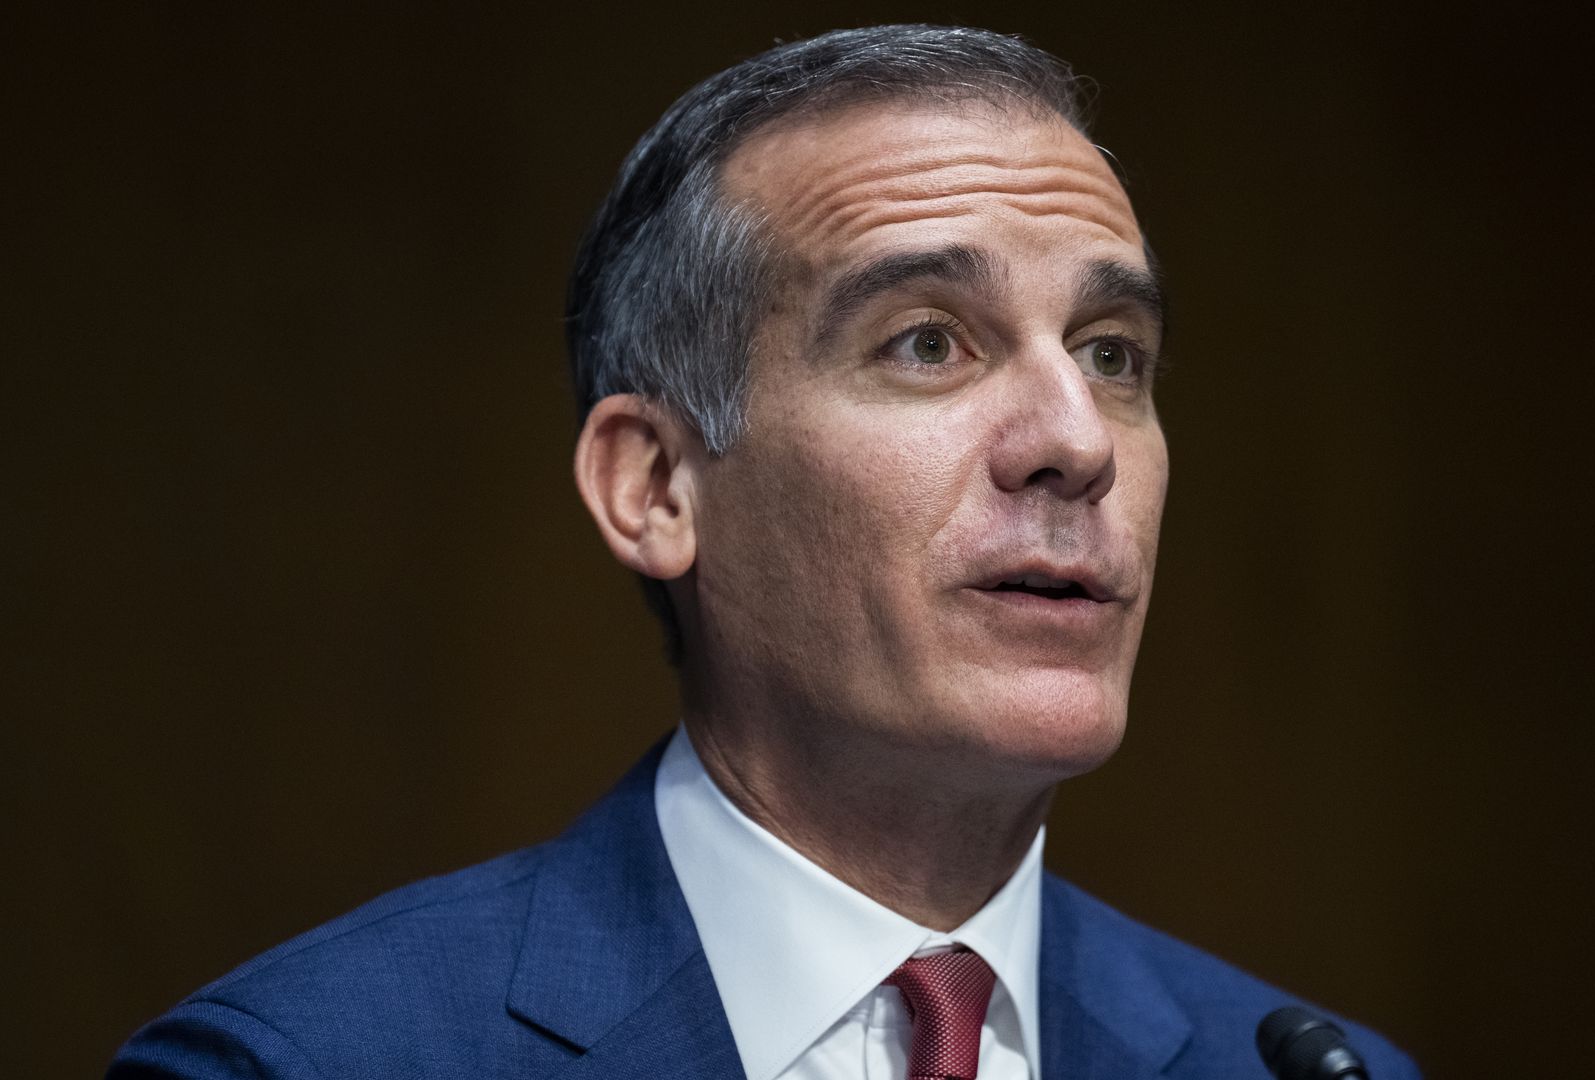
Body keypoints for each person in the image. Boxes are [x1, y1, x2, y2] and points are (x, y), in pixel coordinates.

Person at [111, 25, 1419, 1080]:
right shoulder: (314, 1062)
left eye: (1112, 354)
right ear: (658, 486)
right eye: (927, 341)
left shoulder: (1310, 1067)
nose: (1078, 441)